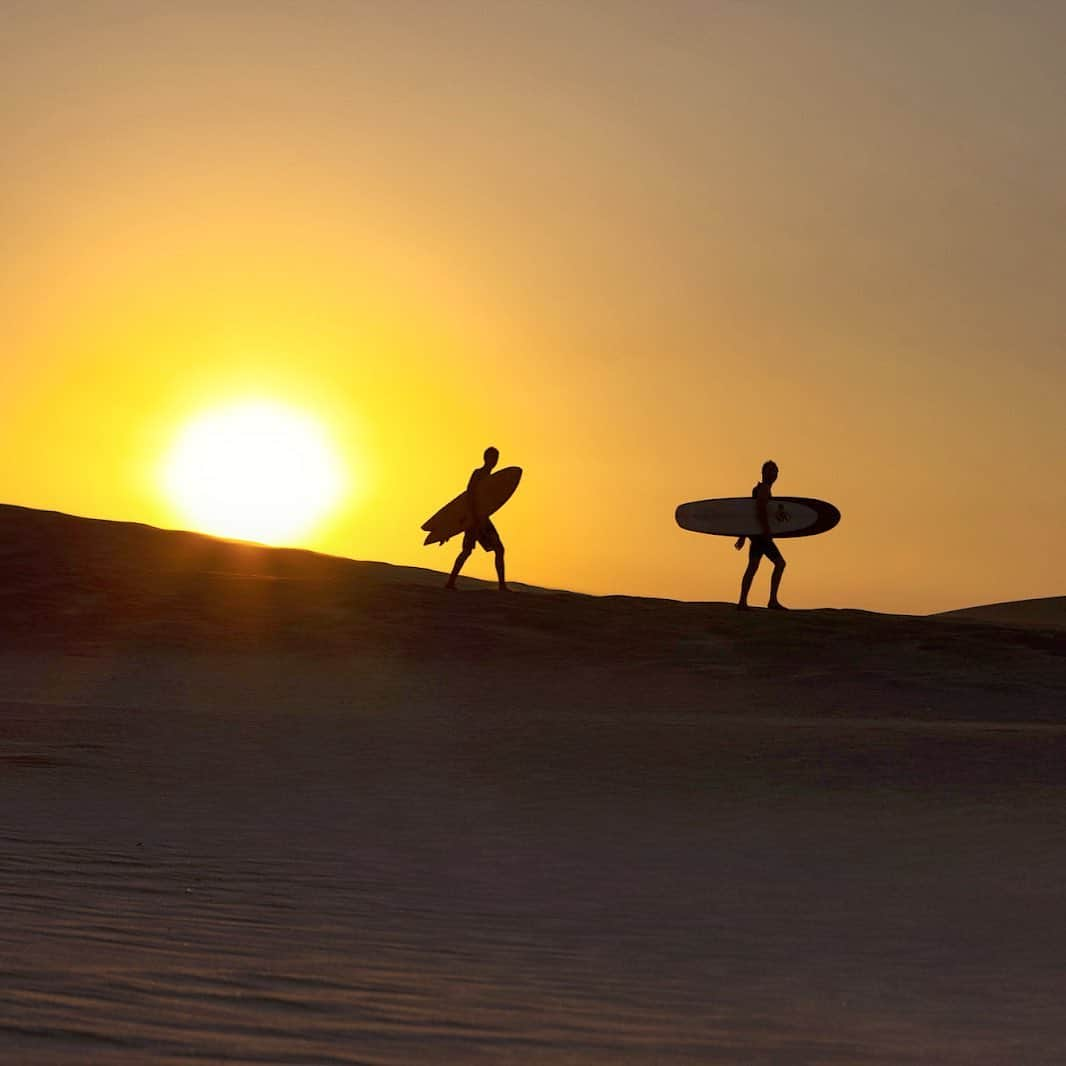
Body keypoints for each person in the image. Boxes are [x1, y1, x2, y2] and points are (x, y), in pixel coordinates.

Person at [445, 446, 509, 591]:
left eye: (496, 458)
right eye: (493, 458)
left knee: (499, 549)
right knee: (468, 550)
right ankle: (450, 582)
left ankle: (501, 585)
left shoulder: (491, 478)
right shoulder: (478, 474)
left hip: (482, 519)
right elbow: (470, 496)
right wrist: (472, 519)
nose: (495, 461)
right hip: (474, 520)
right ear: (486, 458)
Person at [736, 459, 787, 610]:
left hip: (755, 534)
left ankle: (742, 602)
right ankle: (772, 601)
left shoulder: (759, 488)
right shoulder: (763, 489)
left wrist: (743, 535)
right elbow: (759, 511)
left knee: (752, 566)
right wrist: (766, 530)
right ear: (763, 473)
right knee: (780, 563)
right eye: (771, 471)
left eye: (775, 471)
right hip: (761, 534)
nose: (774, 474)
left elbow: (749, 514)